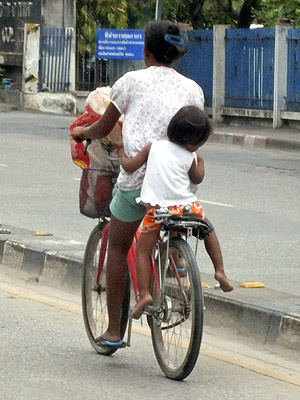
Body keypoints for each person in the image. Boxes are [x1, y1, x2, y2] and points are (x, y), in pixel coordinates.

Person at [71, 20, 210, 348]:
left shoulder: (130, 81)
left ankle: (115, 332)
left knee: (118, 246)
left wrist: (81, 133)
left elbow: (103, 128)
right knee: (171, 218)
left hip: (138, 183)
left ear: (146, 51)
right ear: (177, 52)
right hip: (178, 184)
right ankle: (175, 257)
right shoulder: (194, 89)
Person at [120, 105, 233, 319]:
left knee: (143, 250)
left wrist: (123, 158)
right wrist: (200, 161)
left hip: (159, 210)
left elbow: (130, 166)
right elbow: (197, 178)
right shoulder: (189, 156)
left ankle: (144, 294)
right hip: (187, 207)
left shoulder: (153, 147)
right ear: (194, 143)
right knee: (208, 229)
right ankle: (219, 270)